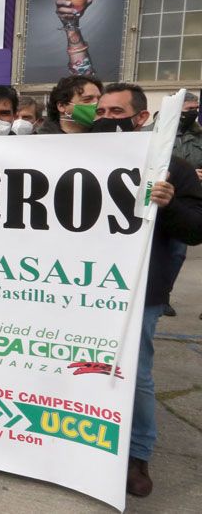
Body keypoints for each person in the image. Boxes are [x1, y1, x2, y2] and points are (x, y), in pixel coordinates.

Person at [88, 83, 202, 497]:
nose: (105, 118)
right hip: (77, 287)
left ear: (141, 118)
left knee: (133, 373)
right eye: (100, 110)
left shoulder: (175, 167)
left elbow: (195, 230)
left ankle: (137, 455)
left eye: (116, 112)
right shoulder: (75, 157)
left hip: (139, 291)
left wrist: (168, 203)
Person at [165, 91, 202, 318]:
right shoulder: (156, 132)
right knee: (171, 252)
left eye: (195, 109)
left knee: (179, 252)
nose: (193, 113)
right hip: (165, 198)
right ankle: (163, 296)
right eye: (189, 109)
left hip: (191, 199)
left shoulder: (200, 136)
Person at [37, 74, 102, 134]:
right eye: (87, 99)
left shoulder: (105, 135)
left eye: (100, 99)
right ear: (61, 106)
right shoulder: (38, 142)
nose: (97, 104)